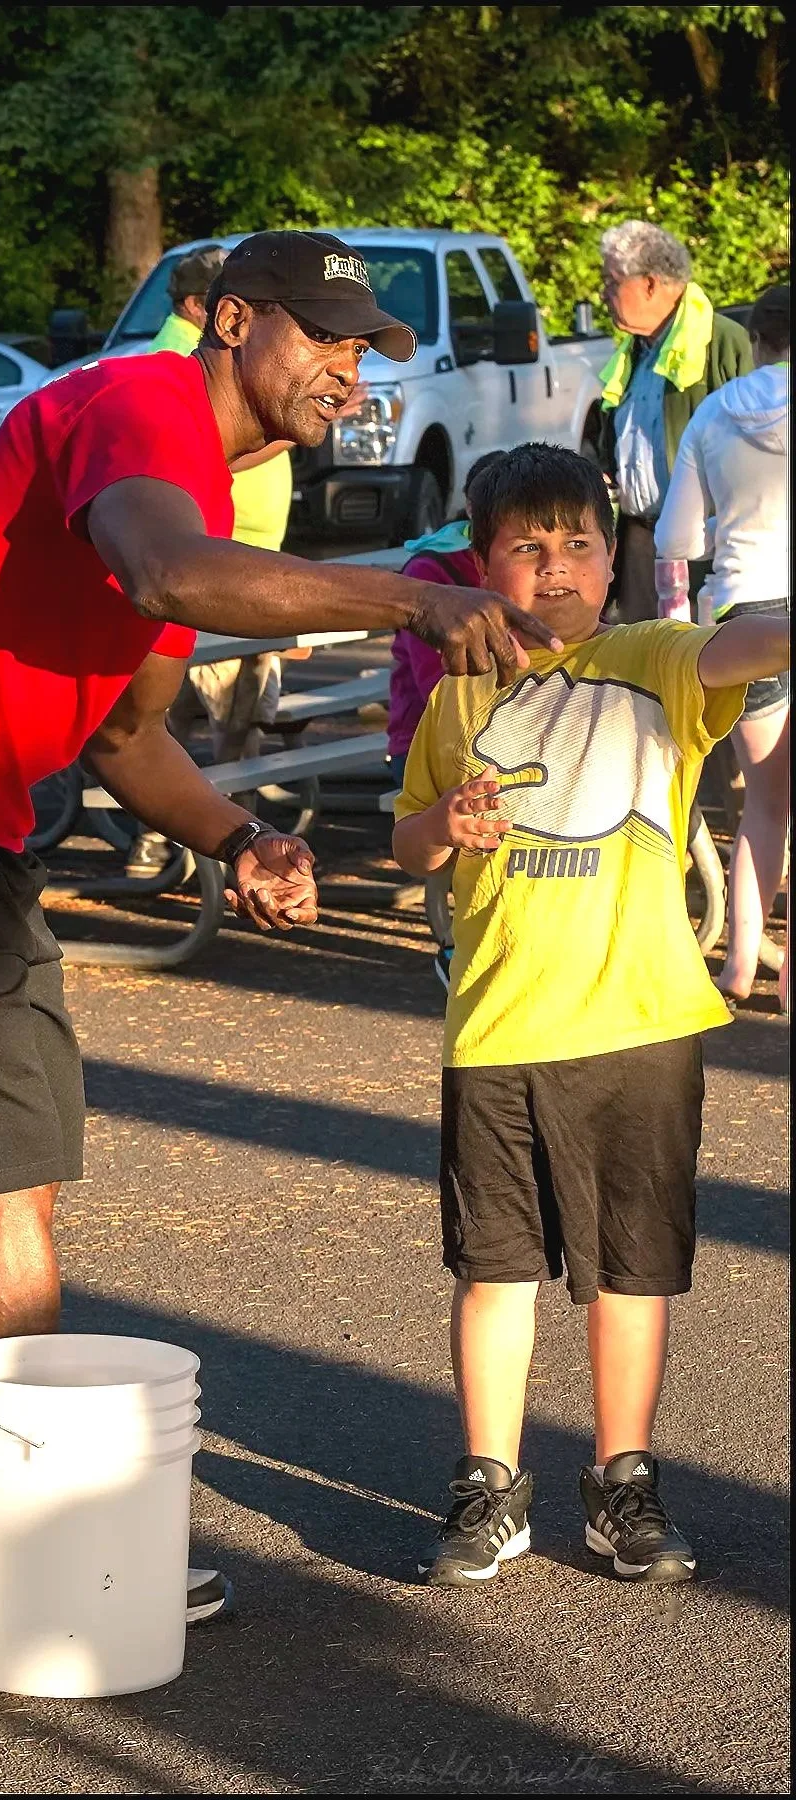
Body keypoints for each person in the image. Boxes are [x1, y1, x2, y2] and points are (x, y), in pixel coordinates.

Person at [0, 229, 562, 1619]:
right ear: (234, 321)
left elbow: (127, 735)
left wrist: (242, 836)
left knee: (8, 1165)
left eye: (366, 347)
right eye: (324, 338)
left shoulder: (200, 503)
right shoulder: (140, 408)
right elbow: (165, 579)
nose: (350, 371)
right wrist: (415, 597)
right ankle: (37, 1543)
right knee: (13, 1160)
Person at [390, 442, 789, 1587]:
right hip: (497, 1025)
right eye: (527, 546)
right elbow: (408, 836)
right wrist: (443, 832)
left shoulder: (657, 660)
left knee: (633, 1272)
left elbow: (751, 642)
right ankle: (489, 1485)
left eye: (579, 543)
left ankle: (624, 1481)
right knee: (493, 1269)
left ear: (611, 559)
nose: (556, 567)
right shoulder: (459, 696)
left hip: (641, 1026)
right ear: (481, 566)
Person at [128, 243, 297, 871]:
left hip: (244, 561)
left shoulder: (207, 359)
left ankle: (220, 840)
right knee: (190, 719)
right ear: (212, 310)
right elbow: (210, 460)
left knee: (230, 720)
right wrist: (286, 425)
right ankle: (170, 844)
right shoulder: (178, 364)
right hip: (213, 569)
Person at [654, 284, 790, 1010]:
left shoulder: (713, 412)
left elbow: (679, 541)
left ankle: (739, 965)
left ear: (759, 339)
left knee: (764, 805)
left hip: (745, 611)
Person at [387, 451, 508, 986]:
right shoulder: (431, 574)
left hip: (505, 736)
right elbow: (436, 686)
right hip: (423, 744)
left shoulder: (523, 571)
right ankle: (464, 945)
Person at [597, 219, 752, 624]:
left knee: (702, 671)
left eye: (611, 283)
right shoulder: (634, 350)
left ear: (650, 283)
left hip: (706, 550)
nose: (603, 295)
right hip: (640, 544)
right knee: (641, 672)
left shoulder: (722, 342)